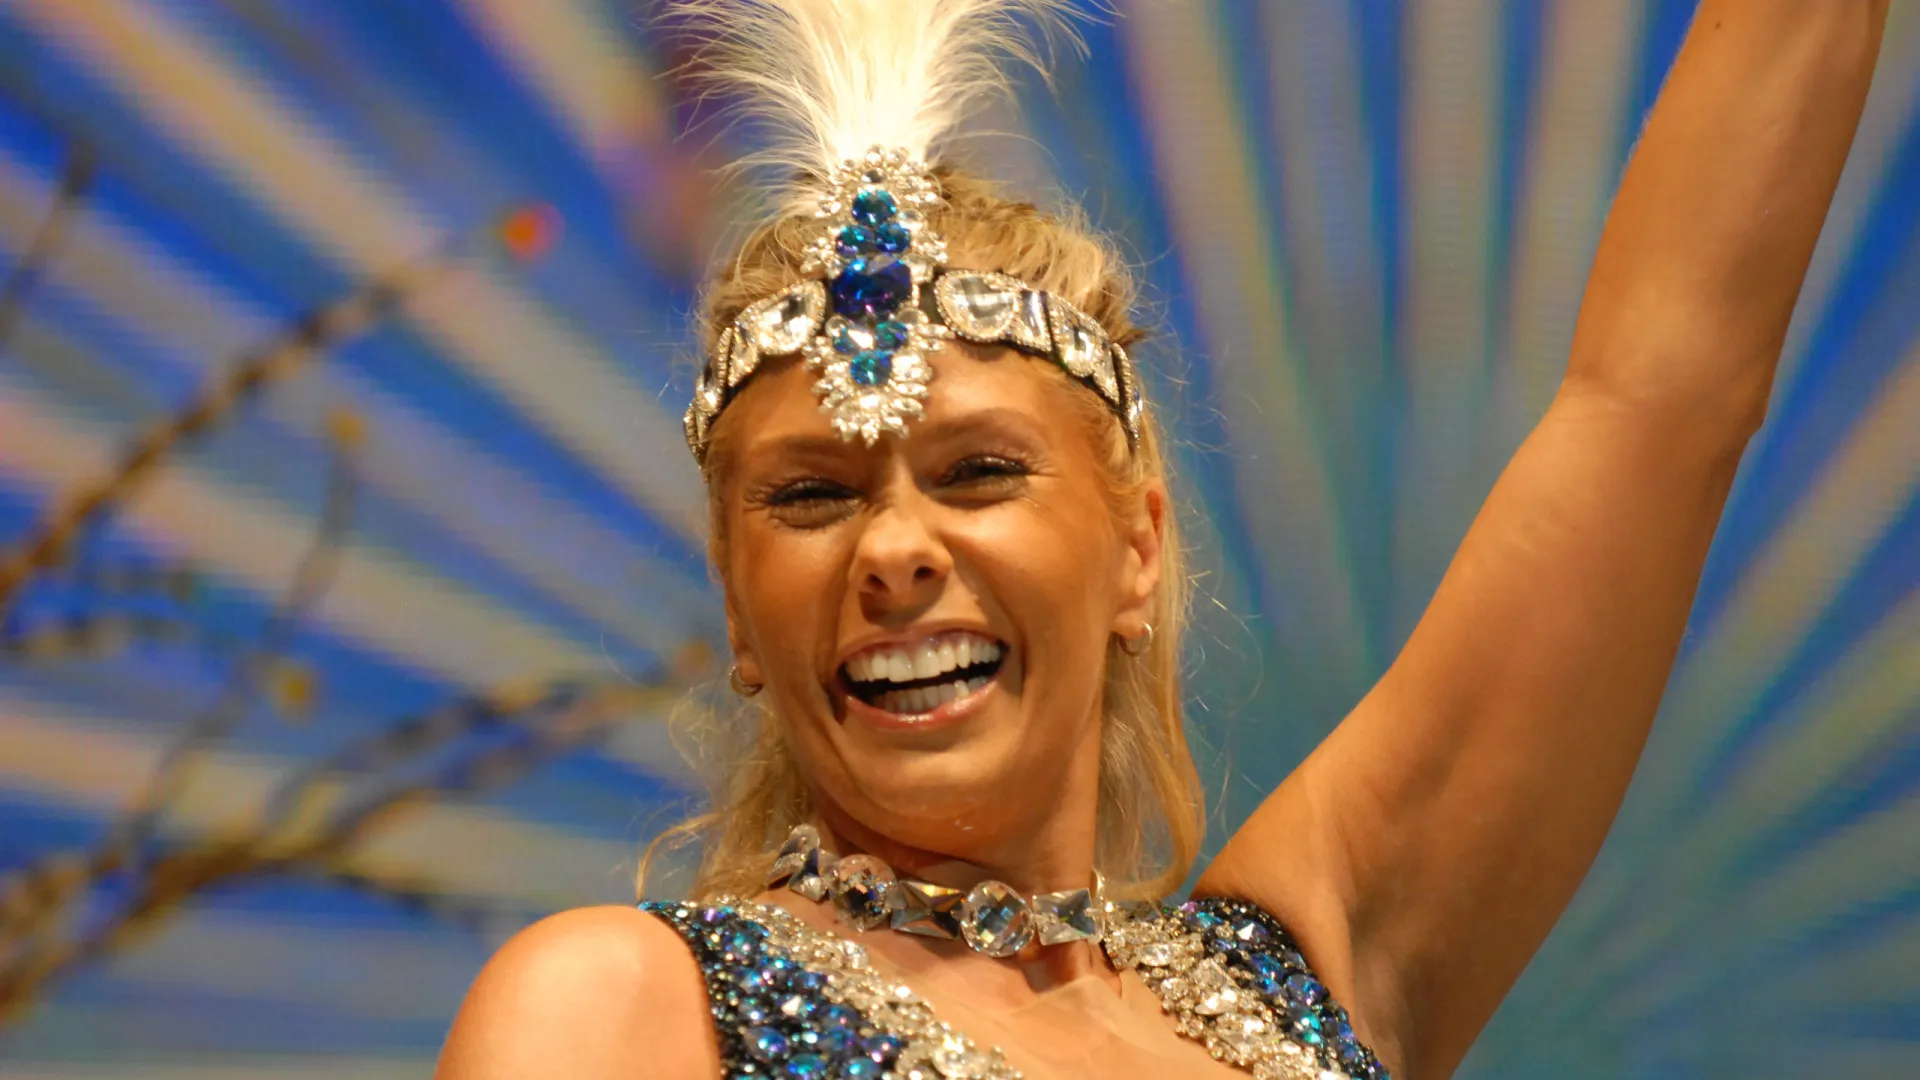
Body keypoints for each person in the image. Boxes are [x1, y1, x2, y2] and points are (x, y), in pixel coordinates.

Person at [433, 1, 1889, 1077]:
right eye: (811, 496)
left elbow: (1661, 398)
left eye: (979, 472)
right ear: (739, 614)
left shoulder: (1312, 969)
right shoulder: (625, 1012)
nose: (893, 550)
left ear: (1137, 547)